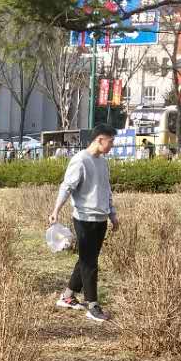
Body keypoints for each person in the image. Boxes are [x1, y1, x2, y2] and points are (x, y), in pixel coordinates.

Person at [50, 124, 119, 323]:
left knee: (86, 259)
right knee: (90, 263)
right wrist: (55, 210)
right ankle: (92, 305)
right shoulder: (80, 160)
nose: (112, 145)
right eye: (110, 141)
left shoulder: (103, 162)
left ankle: (67, 296)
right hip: (84, 219)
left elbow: (107, 190)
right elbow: (67, 187)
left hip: (100, 219)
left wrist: (112, 214)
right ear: (99, 139)